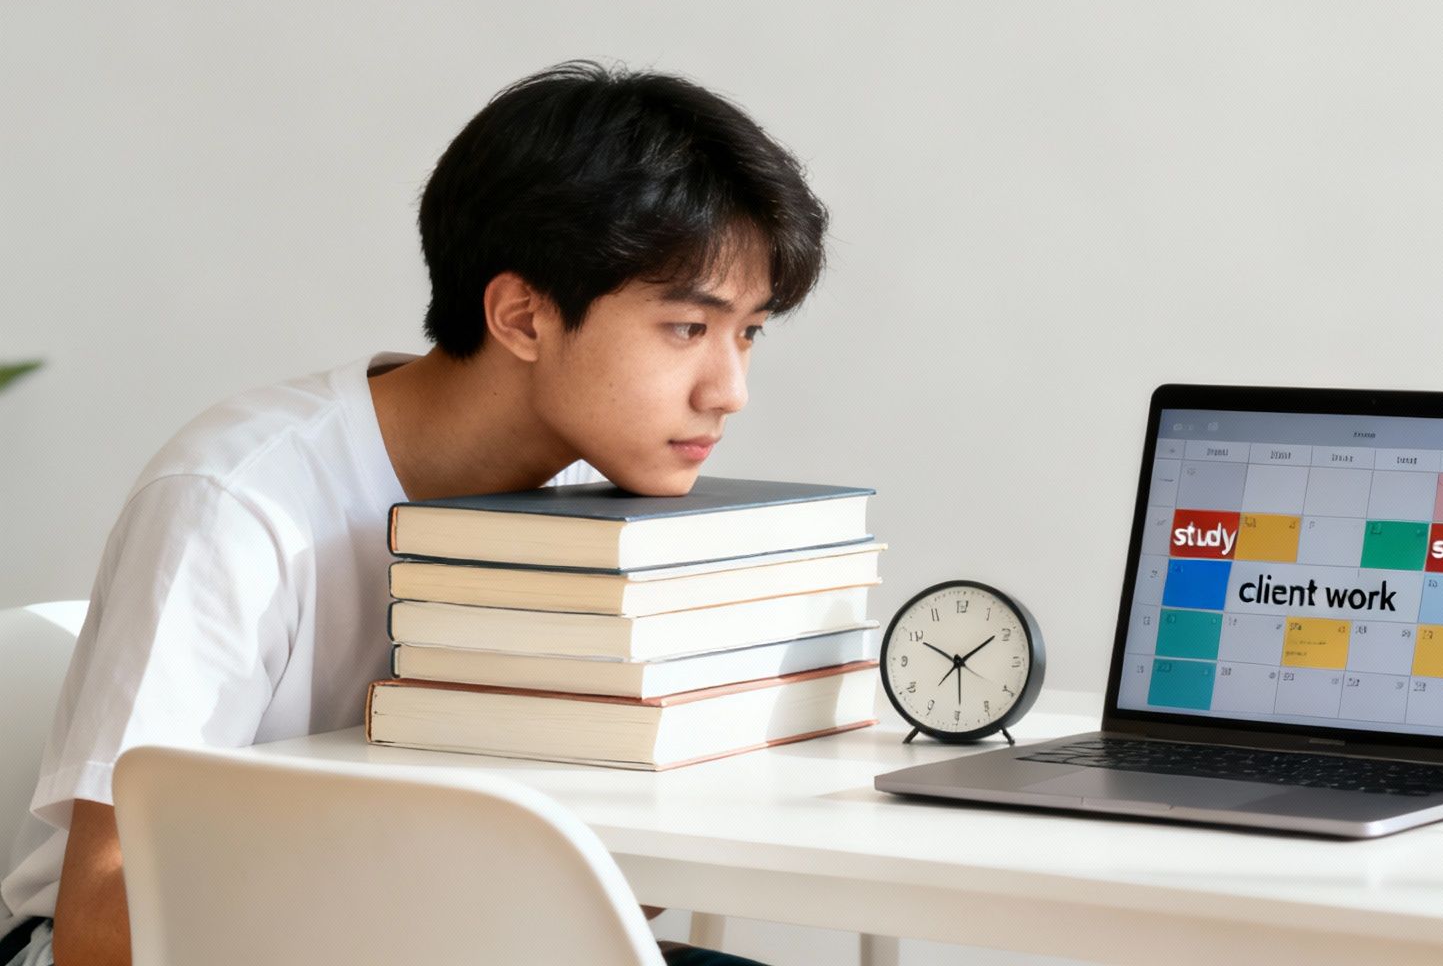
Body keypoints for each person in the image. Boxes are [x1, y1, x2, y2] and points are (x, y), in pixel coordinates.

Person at [0, 61, 828, 966]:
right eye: (687, 328)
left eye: (748, 331)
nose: (730, 390)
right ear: (522, 316)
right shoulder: (238, 503)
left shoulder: (582, 517)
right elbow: (99, 928)